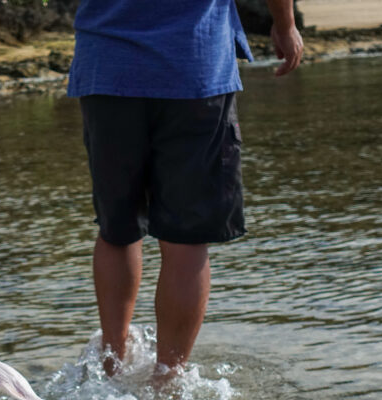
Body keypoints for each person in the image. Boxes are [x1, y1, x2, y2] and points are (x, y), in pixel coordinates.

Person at [67, 0, 304, 377]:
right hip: (194, 67)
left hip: (108, 68)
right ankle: (169, 377)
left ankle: (110, 363)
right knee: (186, 241)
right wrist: (284, 23)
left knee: (118, 230)